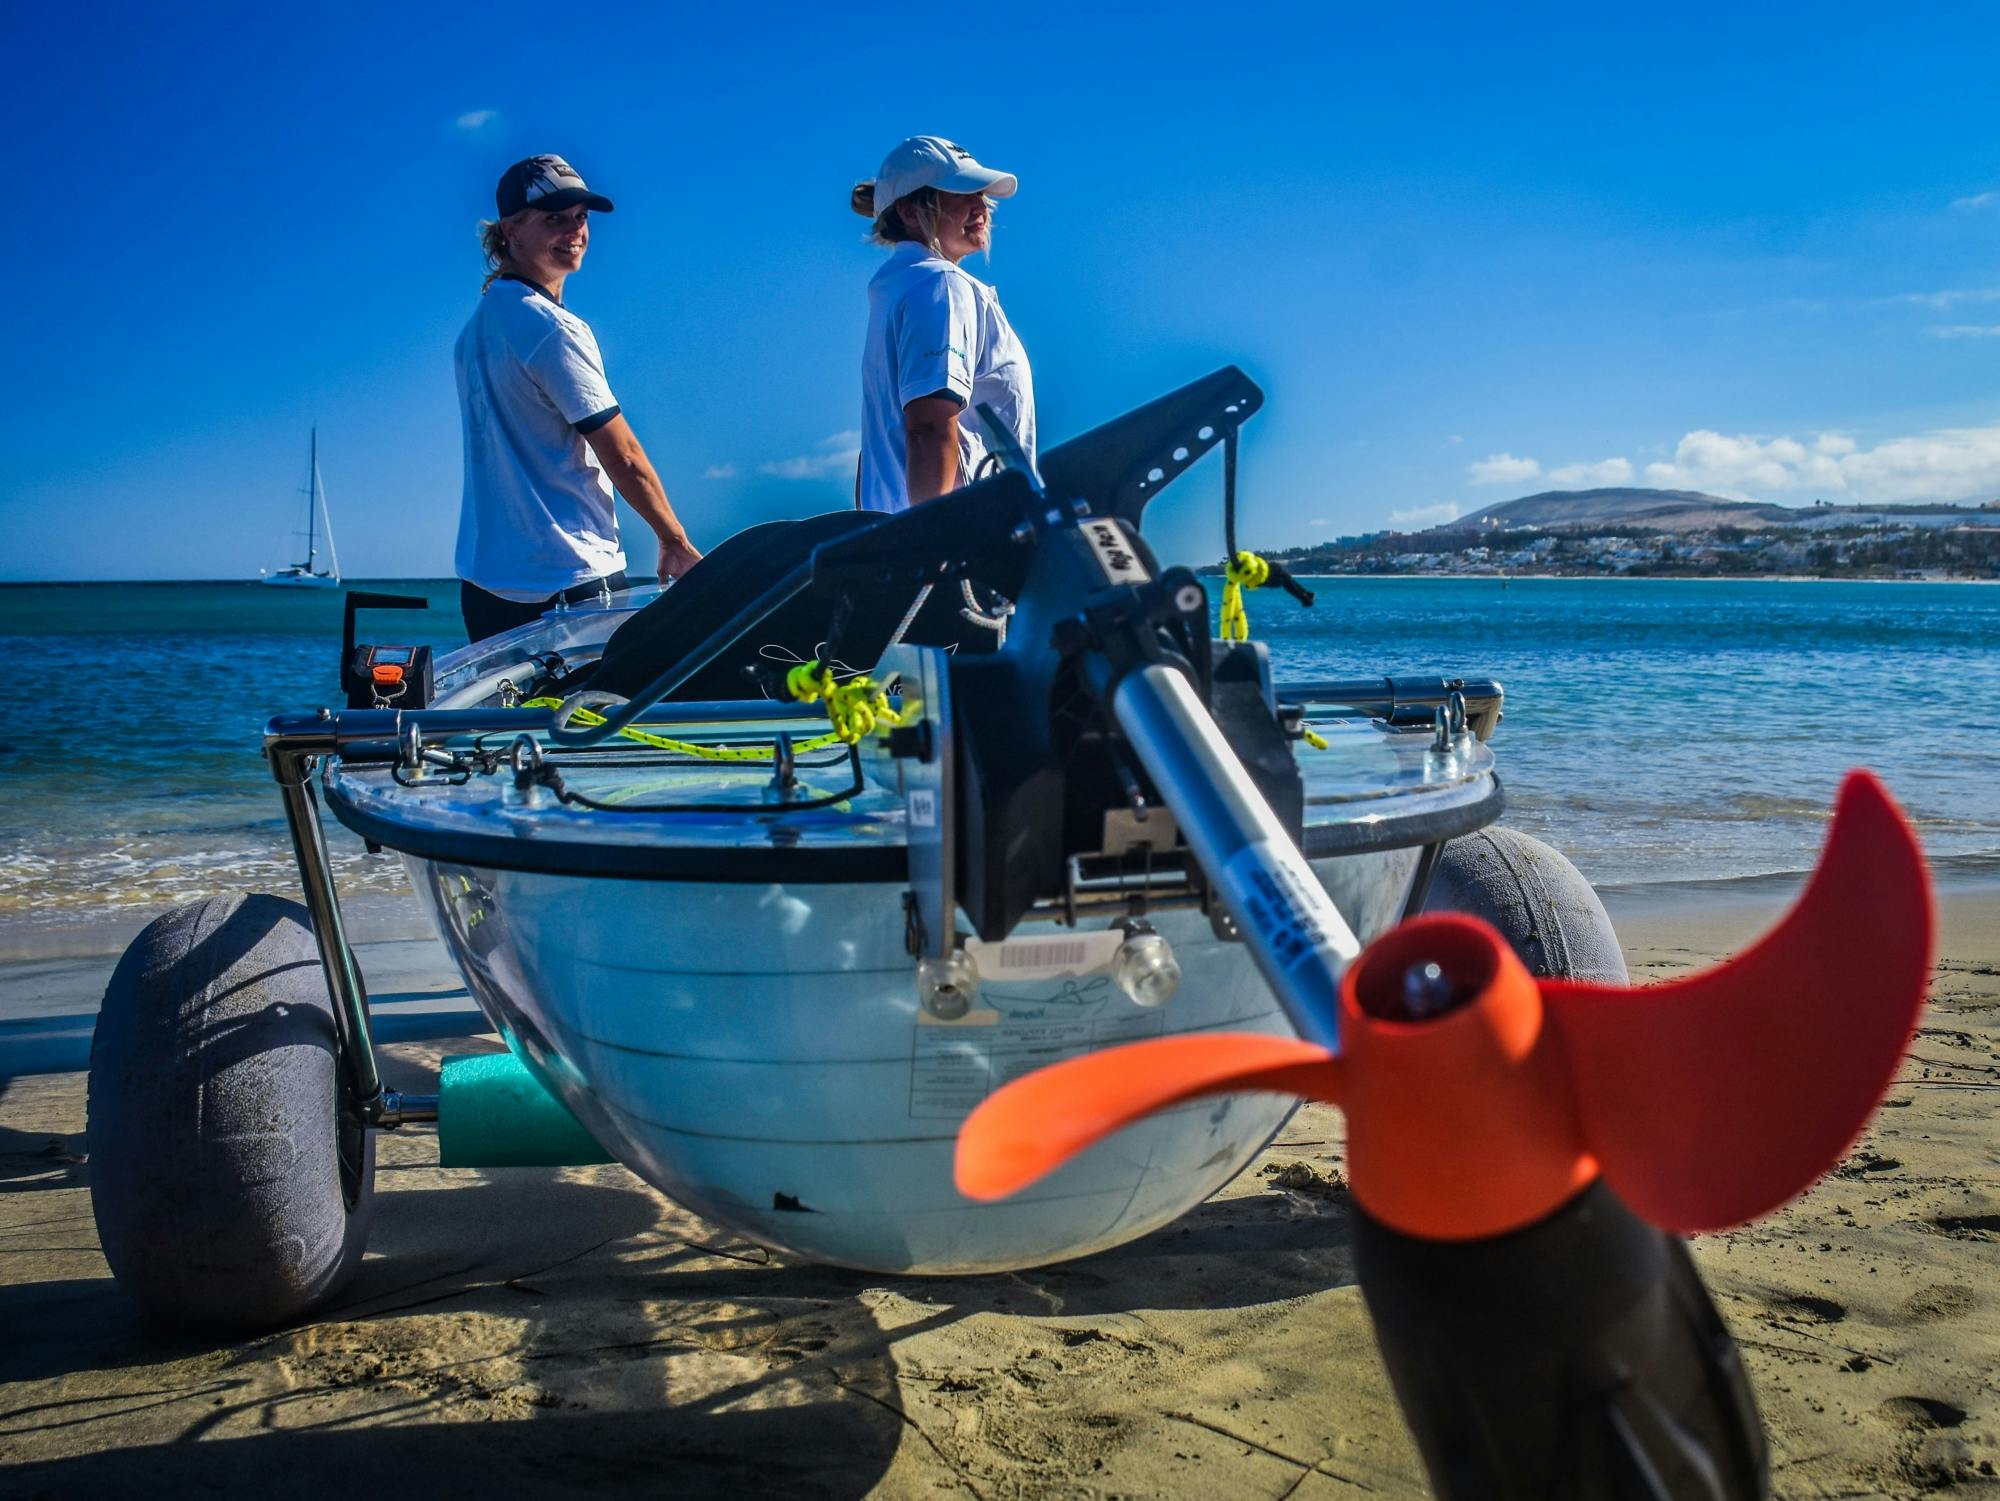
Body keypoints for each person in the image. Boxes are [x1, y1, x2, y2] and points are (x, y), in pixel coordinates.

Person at [454, 153, 701, 642]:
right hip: (567, 578)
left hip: (486, 585)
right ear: (512, 231)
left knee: (513, 722)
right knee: (590, 719)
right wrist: (674, 540)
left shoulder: (475, 332)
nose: (575, 231)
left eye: (581, 218)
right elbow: (623, 456)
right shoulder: (551, 329)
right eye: (554, 219)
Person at [852, 137, 1037, 514]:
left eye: (981, 195)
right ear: (908, 211)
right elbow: (930, 427)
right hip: (962, 551)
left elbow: (872, 455)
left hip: (899, 548)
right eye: (961, 193)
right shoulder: (941, 285)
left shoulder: (896, 290)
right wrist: (935, 549)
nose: (980, 207)